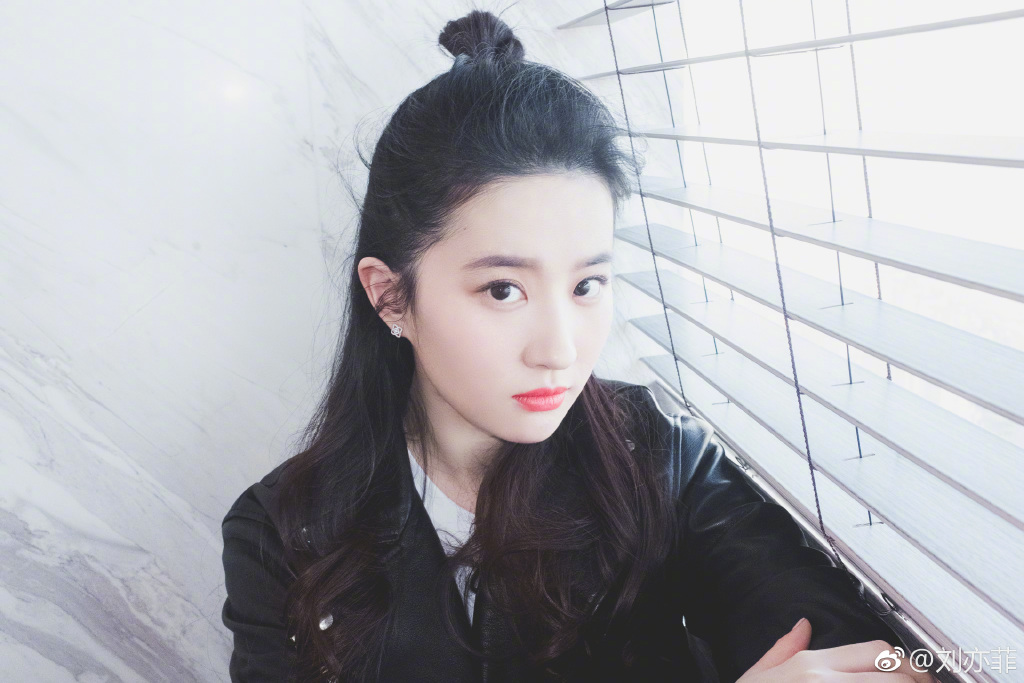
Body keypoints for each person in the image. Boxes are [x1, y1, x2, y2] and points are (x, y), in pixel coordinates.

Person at [220, 10, 936, 683]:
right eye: (503, 289)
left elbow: (850, 645)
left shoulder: (656, 456)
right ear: (390, 296)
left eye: (587, 284)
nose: (560, 350)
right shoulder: (283, 535)